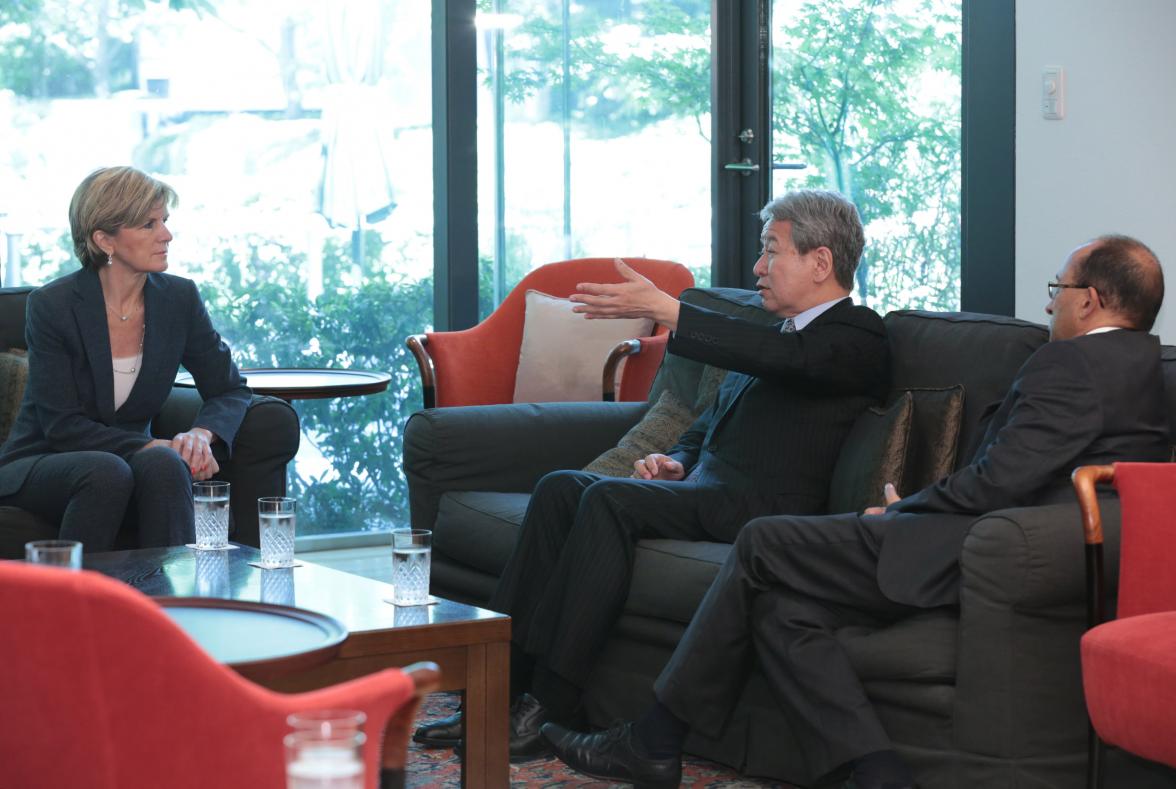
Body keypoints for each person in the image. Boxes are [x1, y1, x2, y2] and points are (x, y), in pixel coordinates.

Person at [540, 234, 1170, 789]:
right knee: (781, 605)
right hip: (1019, 549)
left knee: (764, 544)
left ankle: (653, 739)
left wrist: (906, 512)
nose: (1049, 302)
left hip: (976, 548)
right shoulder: (1144, 368)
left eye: (1058, 288)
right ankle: (877, 770)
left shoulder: (1067, 364)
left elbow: (1000, 481)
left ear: (1088, 300)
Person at [414, 189, 892, 760]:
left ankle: (550, 705)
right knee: (562, 486)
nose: (759, 267)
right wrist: (679, 459)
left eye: (772, 251)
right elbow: (709, 419)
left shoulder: (857, 335)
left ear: (821, 263)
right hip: (705, 489)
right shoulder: (776, 334)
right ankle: (495, 693)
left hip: (762, 508)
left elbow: (792, 362)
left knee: (612, 501)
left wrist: (673, 311)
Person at [0, 166, 251, 551]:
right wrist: (153, 445)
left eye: (164, 221)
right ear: (105, 240)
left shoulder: (179, 299)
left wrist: (200, 436)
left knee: (168, 464)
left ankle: (171, 604)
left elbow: (229, 389)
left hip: (130, 458)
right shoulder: (53, 306)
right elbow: (62, 425)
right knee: (108, 471)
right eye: (149, 225)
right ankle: (75, 603)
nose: (166, 234)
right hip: (44, 459)